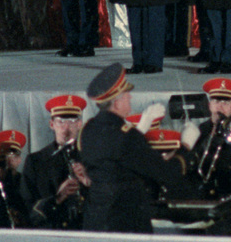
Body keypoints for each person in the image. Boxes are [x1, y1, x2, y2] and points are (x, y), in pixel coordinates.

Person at [77, 63, 192, 232]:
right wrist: (186, 146)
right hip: (125, 223)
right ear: (116, 103)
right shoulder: (127, 135)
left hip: (95, 221)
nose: (130, 98)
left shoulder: (87, 130)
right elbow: (166, 174)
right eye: (126, 95)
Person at [19, 95, 88, 230]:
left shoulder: (91, 159)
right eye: (61, 121)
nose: (66, 128)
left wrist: (88, 184)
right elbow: (26, 210)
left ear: (79, 124)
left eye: (72, 121)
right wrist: (57, 198)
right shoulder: (35, 161)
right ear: (52, 125)